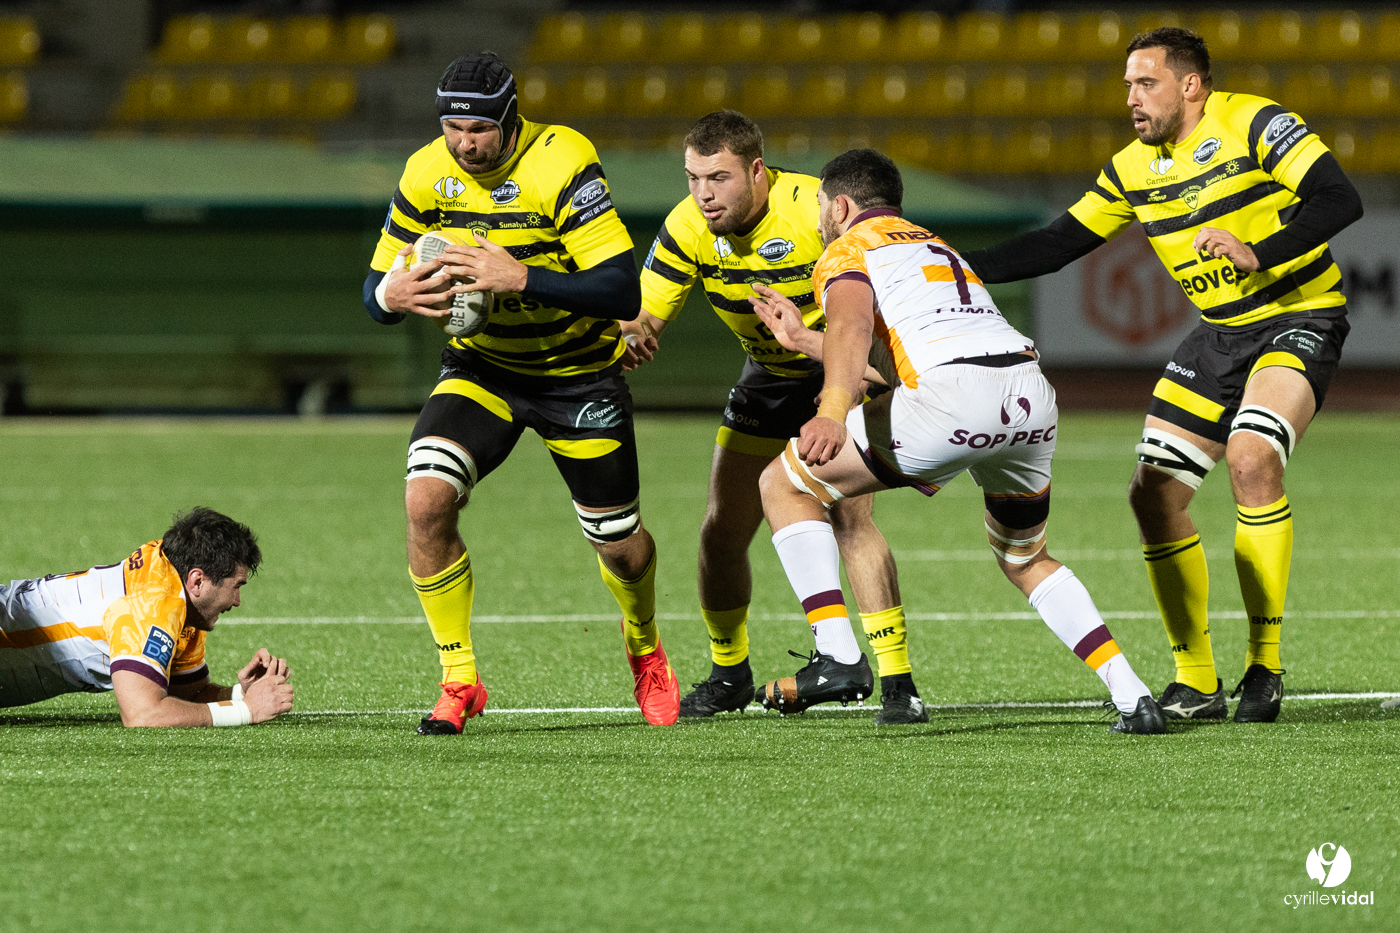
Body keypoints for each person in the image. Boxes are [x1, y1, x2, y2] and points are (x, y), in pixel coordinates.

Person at [960, 28, 1364, 724]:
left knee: (1252, 457)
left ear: (1191, 85)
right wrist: (949, 264)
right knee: (1153, 495)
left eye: (1144, 83)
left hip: (1300, 313)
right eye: (1126, 86)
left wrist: (1258, 250)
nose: (1130, 99)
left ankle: (1263, 668)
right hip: (1219, 335)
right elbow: (1058, 243)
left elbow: (1338, 198)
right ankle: (1197, 679)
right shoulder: (1130, 168)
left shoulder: (1255, 123)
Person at [750, 148, 1165, 734]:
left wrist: (832, 410)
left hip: (948, 399)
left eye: (821, 206)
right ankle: (1132, 694)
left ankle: (838, 655)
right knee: (1025, 556)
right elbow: (889, 365)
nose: (819, 218)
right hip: (1027, 395)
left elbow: (848, 328)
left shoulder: (848, 249)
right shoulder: (939, 248)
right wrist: (801, 341)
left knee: (783, 484)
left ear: (840, 206)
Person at [361, 52, 679, 732]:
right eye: (453, 128)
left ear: (511, 121)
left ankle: (644, 645)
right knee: (425, 499)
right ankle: (458, 678)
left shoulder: (563, 161)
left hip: (578, 372)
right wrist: (390, 293)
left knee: (620, 543)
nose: (465, 144)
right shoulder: (426, 172)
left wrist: (522, 277)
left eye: (478, 129)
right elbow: (374, 291)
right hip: (484, 370)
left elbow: (621, 288)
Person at [624, 110, 928, 724]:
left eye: (718, 178)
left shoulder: (811, 211)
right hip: (764, 376)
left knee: (851, 520)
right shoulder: (686, 227)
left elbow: (876, 301)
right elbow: (644, 317)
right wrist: (627, 336)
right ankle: (729, 672)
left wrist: (866, 379)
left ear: (757, 170)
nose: (703, 195)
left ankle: (897, 683)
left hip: (837, 370)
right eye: (692, 179)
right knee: (720, 529)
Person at [0, 507, 293, 727]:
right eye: (236, 586)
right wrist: (247, 712)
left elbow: (189, 693)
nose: (237, 601)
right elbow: (143, 714)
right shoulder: (155, 603)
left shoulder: (177, 587)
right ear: (198, 581)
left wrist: (240, 694)